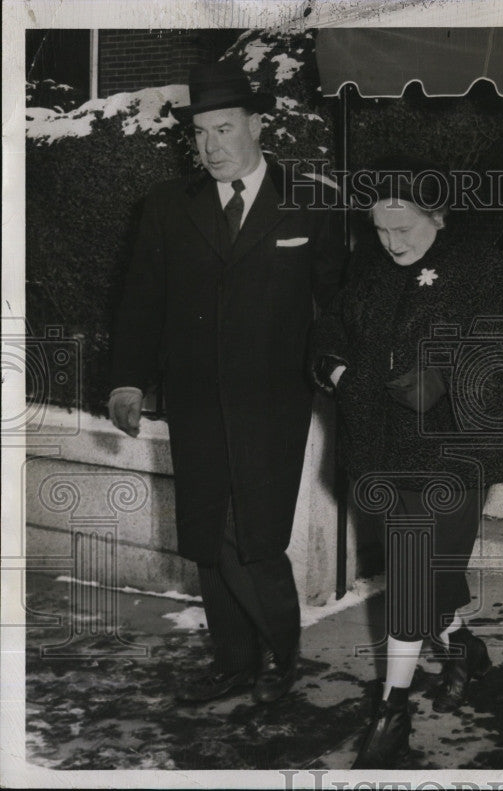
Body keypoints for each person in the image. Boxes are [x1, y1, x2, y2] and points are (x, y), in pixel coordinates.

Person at [108, 61, 342, 705]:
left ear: (257, 126)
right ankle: (236, 664)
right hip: (197, 403)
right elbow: (139, 304)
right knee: (212, 535)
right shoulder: (165, 208)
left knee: (257, 533)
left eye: (224, 130)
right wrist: (127, 381)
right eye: (202, 134)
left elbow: (340, 305)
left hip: (275, 403)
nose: (212, 147)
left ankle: (282, 656)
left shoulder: (310, 203)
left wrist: (337, 368)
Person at [310, 156, 503, 769]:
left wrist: (448, 381)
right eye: (379, 229)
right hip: (379, 450)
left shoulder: (477, 265)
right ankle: (462, 648)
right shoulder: (371, 263)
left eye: (404, 228)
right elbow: (329, 333)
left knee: (409, 575)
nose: (391, 242)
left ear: (439, 214)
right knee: (427, 576)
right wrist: (337, 369)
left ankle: (391, 710)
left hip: (452, 453)